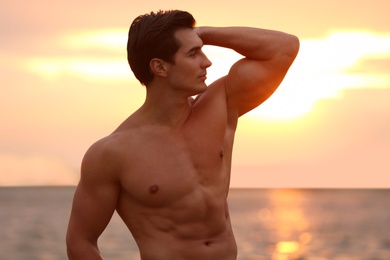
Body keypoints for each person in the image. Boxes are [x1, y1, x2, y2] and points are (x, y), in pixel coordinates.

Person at [66, 10, 299, 260]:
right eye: (193, 53)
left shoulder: (221, 105)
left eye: (201, 49)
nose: (206, 61)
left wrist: (201, 34)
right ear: (159, 67)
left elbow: (285, 47)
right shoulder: (112, 153)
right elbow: (80, 241)